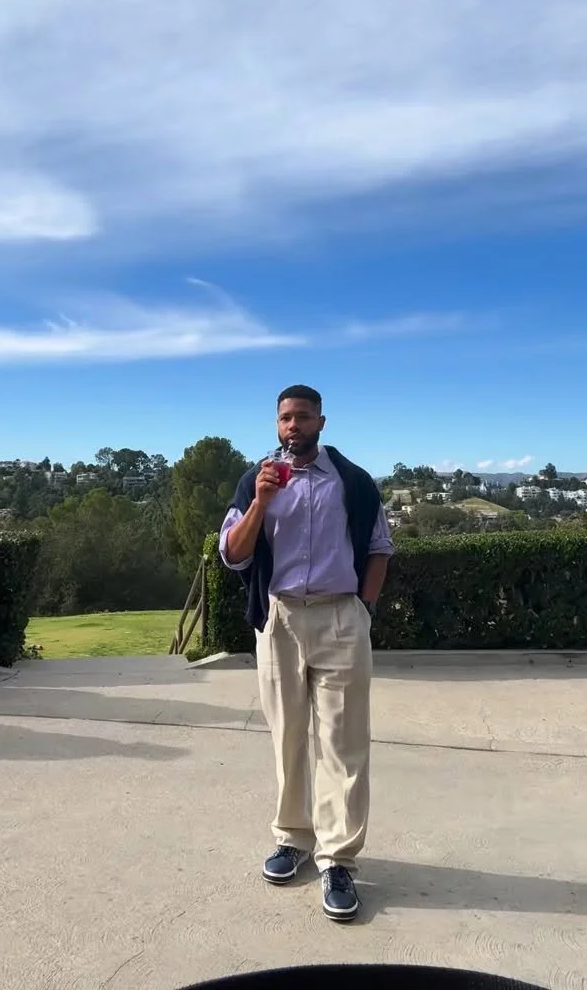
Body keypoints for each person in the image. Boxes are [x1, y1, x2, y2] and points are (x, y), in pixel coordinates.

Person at [219, 385, 394, 921]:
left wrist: (363, 609)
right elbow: (232, 554)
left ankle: (337, 859)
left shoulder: (353, 481)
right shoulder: (256, 480)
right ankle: (292, 838)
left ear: (321, 421)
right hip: (281, 620)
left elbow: (379, 548)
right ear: (276, 425)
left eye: (302, 416)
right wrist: (260, 502)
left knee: (344, 743)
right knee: (287, 737)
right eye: (284, 418)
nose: (292, 425)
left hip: (341, 617)